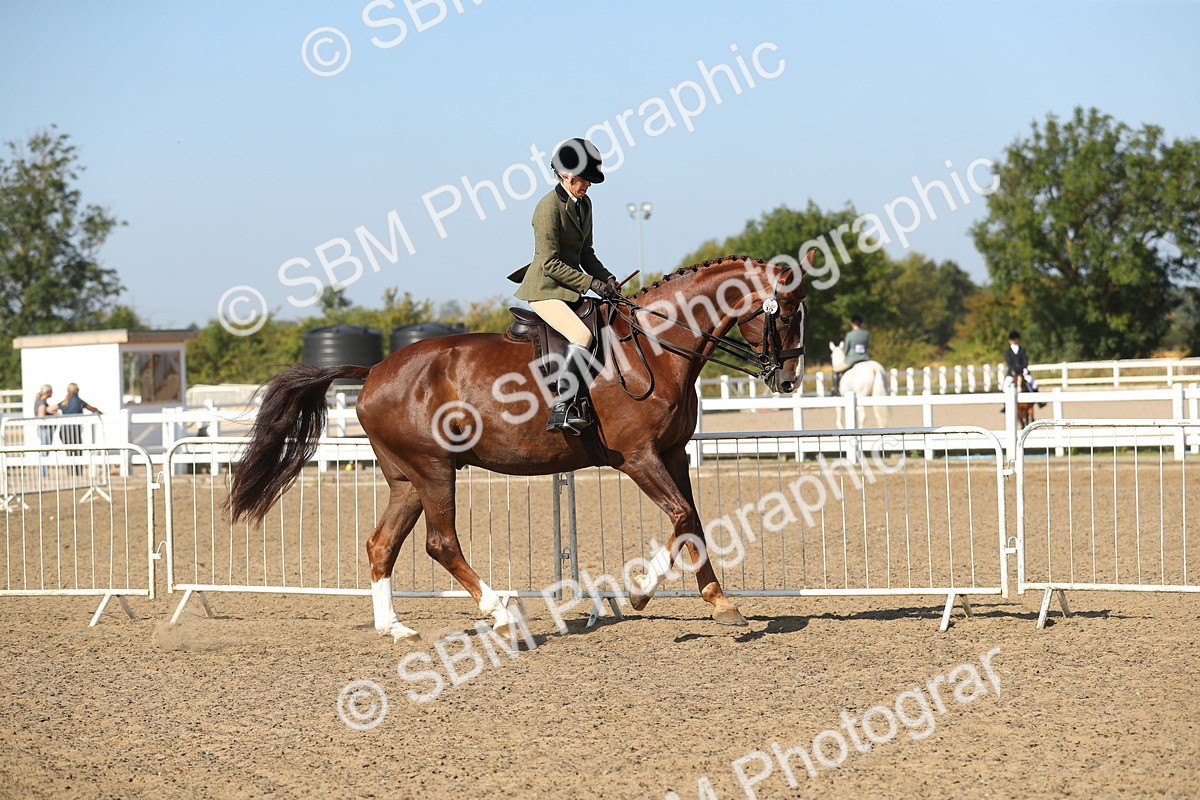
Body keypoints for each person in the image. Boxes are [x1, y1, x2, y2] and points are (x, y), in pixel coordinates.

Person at [507, 137, 620, 434]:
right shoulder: (547, 208)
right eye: (584, 179)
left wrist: (607, 279)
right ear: (566, 174)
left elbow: (586, 253)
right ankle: (562, 407)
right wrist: (590, 283)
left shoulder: (585, 204)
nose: (588, 185)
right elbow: (549, 264)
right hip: (545, 290)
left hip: (569, 288)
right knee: (582, 335)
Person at [1002, 331, 1045, 409]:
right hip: (1012, 372)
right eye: (1013, 339)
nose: (1014, 341)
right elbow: (1009, 362)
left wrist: (1024, 368)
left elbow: (1025, 360)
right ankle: (1005, 405)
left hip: (1023, 371)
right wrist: (1013, 370)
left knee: (1033, 383)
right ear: (1010, 341)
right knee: (1005, 386)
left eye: (1016, 339)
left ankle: (1039, 401)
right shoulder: (1008, 352)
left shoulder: (1022, 350)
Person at [56, 383, 101, 454]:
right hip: (75, 431)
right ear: (77, 390)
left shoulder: (64, 402)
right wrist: (100, 412)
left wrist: (58, 415)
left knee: (69, 452)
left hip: (64, 431)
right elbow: (92, 409)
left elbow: (50, 409)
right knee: (77, 452)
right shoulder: (79, 401)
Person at [835, 315, 870, 393]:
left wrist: (845, 354)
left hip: (852, 360)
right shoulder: (866, 334)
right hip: (865, 358)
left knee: (836, 370)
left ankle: (836, 390)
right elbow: (867, 346)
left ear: (852, 324)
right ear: (861, 324)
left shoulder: (850, 335)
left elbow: (846, 349)